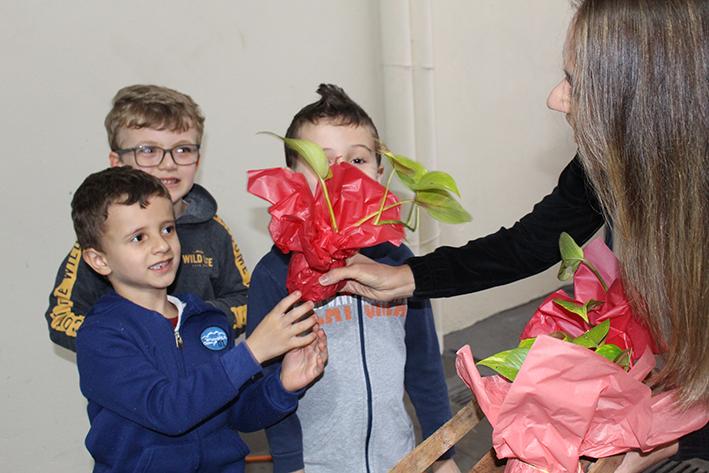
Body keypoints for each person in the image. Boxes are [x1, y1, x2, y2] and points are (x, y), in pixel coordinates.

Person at [323, 0, 709, 468]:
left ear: (646, 100)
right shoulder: (610, 160)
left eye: (577, 84)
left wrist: (658, 446)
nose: (555, 98)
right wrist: (405, 277)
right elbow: (528, 244)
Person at [246, 84, 460, 473]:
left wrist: (442, 454)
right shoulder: (273, 273)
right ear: (292, 179)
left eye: (357, 159)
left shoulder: (399, 263)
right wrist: (291, 465)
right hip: (316, 465)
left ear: (379, 174)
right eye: (321, 161)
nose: (341, 174)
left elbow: (425, 364)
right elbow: (268, 380)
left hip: (398, 459)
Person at [72, 165, 327, 472]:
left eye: (167, 229)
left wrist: (283, 385)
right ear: (99, 260)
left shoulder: (207, 319)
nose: (161, 245)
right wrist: (252, 352)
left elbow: (239, 415)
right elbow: (167, 410)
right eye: (138, 237)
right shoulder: (101, 336)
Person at [46, 85, 250, 351]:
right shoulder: (104, 236)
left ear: (198, 161)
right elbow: (61, 317)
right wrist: (125, 336)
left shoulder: (214, 230)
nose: (168, 164)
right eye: (149, 150)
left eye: (183, 150)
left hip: (209, 372)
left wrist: (198, 318)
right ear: (117, 163)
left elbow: (247, 299)